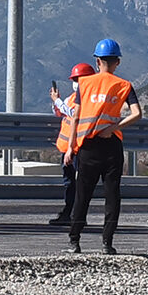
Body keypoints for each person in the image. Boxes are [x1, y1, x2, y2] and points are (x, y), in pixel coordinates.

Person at [65, 39, 144, 254]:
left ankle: (74, 240)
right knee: (112, 194)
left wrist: (71, 147)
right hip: (112, 146)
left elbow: (75, 117)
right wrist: (114, 127)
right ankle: (107, 243)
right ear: (117, 62)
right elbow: (137, 114)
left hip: (88, 147)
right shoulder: (124, 85)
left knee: (83, 194)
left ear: (97, 61)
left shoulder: (84, 84)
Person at [49, 63, 90, 228]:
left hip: (78, 148)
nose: (76, 82)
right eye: (75, 79)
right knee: (69, 183)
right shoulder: (72, 98)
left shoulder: (87, 99)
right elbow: (60, 112)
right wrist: (56, 102)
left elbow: (74, 113)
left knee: (79, 183)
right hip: (67, 148)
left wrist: (58, 101)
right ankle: (69, 212)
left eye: (79, 79)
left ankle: (77, 215)